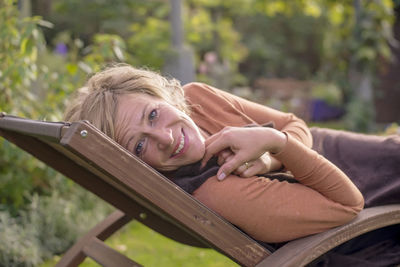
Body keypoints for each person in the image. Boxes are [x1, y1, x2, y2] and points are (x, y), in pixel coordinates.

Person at [64, 65, 399, 248]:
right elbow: (347, 206)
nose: (166, 138)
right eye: (139, 146)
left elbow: (295, 124)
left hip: (337, 153)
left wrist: (272, 158)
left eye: (152, 115)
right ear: (133, 165)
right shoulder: (217, 189)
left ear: (163, 95)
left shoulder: (197, 98)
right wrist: (277, 142)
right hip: (358, 198)